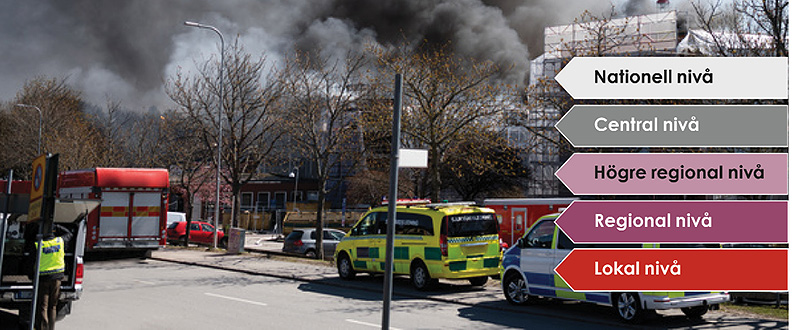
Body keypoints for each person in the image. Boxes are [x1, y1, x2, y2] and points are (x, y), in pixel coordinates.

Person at [34, 224, 72, 330]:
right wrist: (56, 226)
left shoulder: (39, 244)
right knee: (53, 306)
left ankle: (43, 328)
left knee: (43, 306)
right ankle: (51, 328)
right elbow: (69, 233)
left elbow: (30, 262)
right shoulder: (60, 241)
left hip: (43, 278)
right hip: (57, 278)